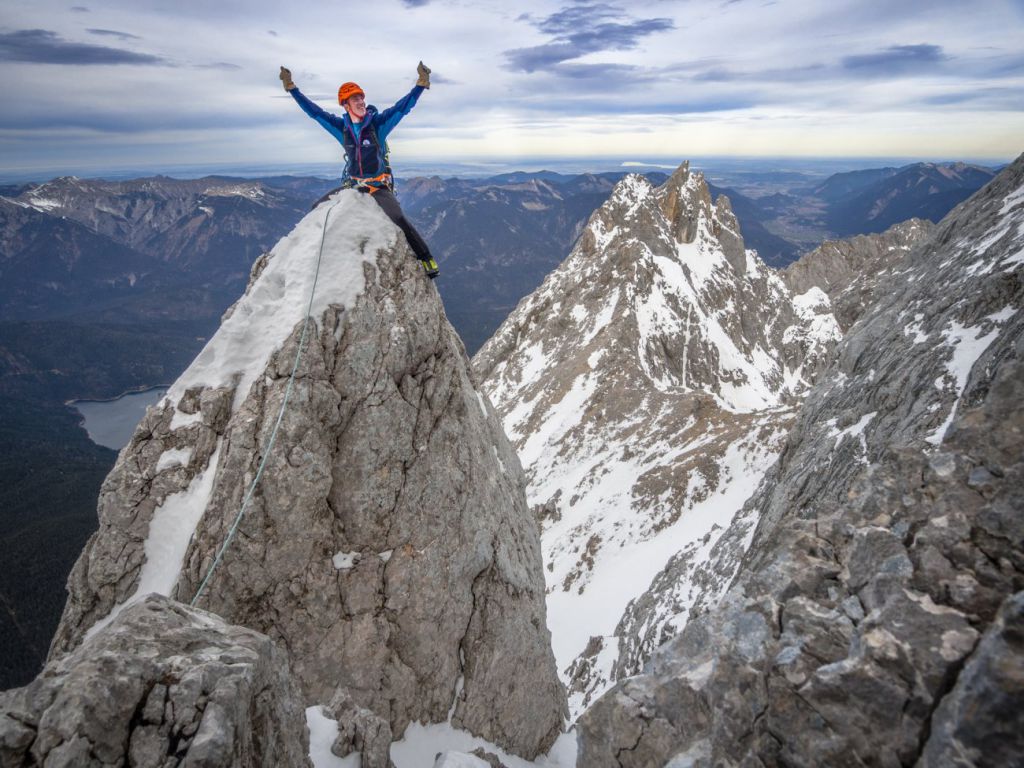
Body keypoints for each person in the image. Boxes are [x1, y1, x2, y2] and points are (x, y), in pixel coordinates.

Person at [280, 63, 440, 279]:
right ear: (346, 104)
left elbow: (402, 108)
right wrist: (292, 89)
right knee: (316, 207)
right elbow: (314, 113)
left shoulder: (377, 125)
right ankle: (308, 256)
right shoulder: (341, 129)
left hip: (377, 186)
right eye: (355, 99)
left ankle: (426, 257)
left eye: (362, 98)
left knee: (398, 218)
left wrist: (420, 85)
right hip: (354, 184)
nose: (361, 101)